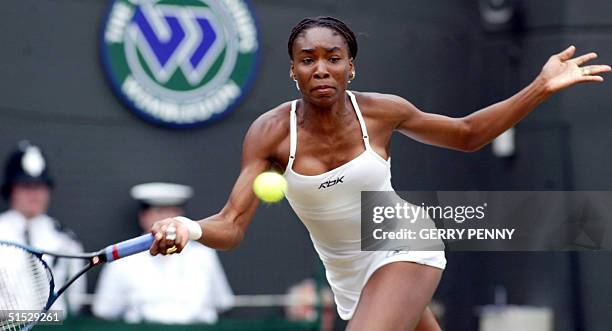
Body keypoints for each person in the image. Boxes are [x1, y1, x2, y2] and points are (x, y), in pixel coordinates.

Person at [146, 17, 610, 331]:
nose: (321, 69)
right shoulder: (270, 134)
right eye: (308, 60)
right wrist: (189, 227)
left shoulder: (383, 113)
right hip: (347, 274)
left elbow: (468, 134)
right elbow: (231, 224)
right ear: (293, 71)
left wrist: (540, 87)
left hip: (403, 240)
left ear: (351, 66)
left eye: (334, 58)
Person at [92, 182, 234, 324]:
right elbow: (105, 310)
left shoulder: (204, 255)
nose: (167, 221)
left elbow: (222, 303)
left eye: (173, 212)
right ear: (143, 217)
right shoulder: (122, 260)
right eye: (159, 212)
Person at [0, 140, 86, 315]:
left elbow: (75, 300)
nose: (34, 194)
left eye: (40, 186)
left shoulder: (66, 240)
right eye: (26, 186)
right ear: (11, 190)